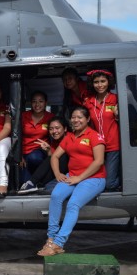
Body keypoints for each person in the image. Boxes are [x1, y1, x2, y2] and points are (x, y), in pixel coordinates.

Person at [37, 106, 106, 256]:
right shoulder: (69, 137)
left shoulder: (95, 136)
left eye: (79, 117)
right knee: (56, 196)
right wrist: (57, 174)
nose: (76, 120)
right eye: (73, 117)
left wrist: (80, 178)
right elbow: (55, 156)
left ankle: (58, 243)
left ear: (87, 119)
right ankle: (50, 238)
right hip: (72, 176)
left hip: (94, 178)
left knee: (73, 203)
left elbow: (99, 161)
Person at [83, 69, 120, 191]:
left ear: (108, 82)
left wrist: (118, 115)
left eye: (103, 81)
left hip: (113, 145)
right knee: (95, 178)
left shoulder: (116, 99)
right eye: (96, 82)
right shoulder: (88, 102)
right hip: (95, 146)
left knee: (109, 183)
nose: (100, 85)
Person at [18, 116, 69, 194]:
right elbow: (52, 161)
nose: (54, 131)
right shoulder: (55, 141)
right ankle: (34, 183)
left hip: (70, 171)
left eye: (57, 128)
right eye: (51, 129)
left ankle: (32, 182)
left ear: (65, 129)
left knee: (54, 157)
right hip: (58, 170)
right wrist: (49, 150)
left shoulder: (70, 138)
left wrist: (58, 174)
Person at [18, 90, 54, 184]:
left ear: (46, 103)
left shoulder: (50, 117)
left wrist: (50, 150)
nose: (37, 104)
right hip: (23, 153)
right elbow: (16, 136)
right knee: (24, 182)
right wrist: (19, 156)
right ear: (30, 103)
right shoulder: (23, 116)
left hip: (39, 152)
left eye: (41, 101)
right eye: (34, 101)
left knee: (34, 158)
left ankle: (40, 177)